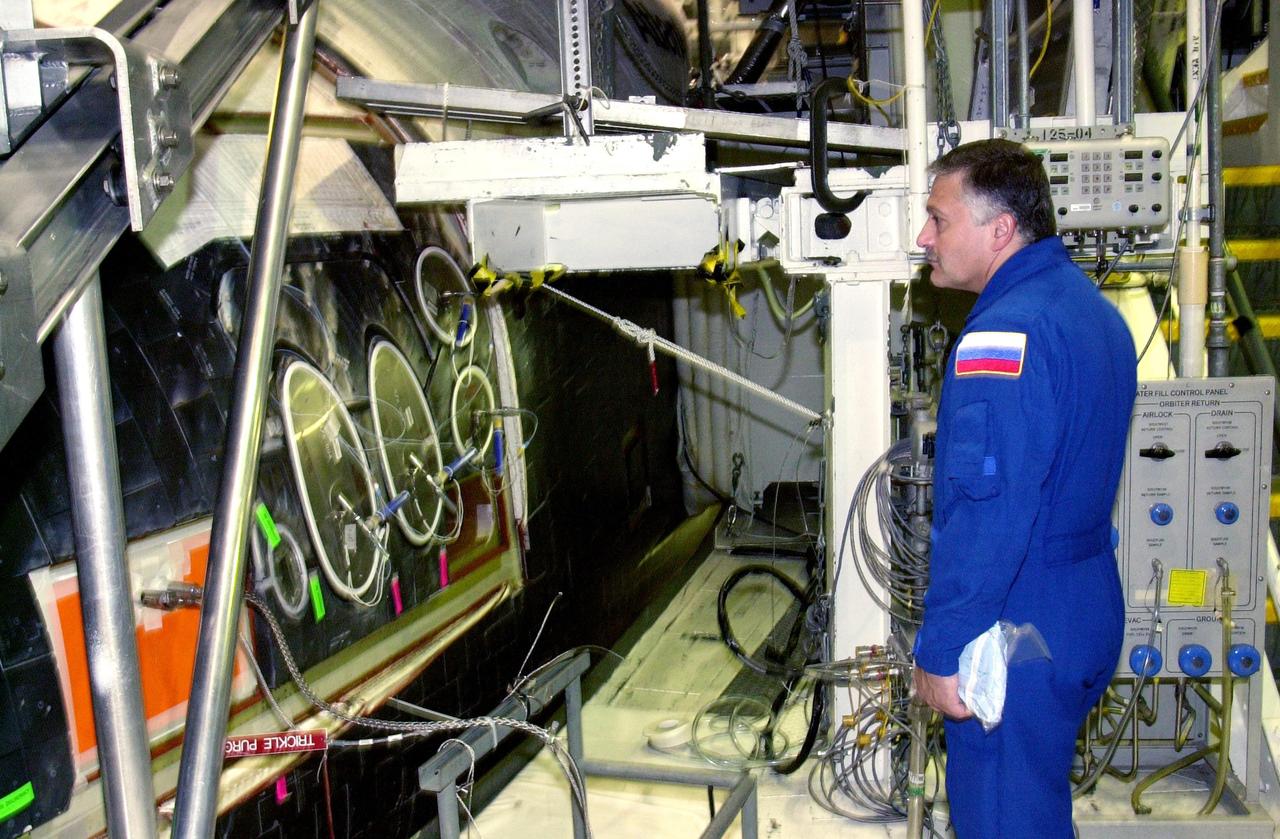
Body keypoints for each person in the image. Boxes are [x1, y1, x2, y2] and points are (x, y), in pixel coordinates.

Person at [910, 139, 1138, 838]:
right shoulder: (1091, 312)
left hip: (1017, 624)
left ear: (1000, 229)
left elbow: (991, 514)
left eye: (939, 220)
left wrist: (942, 647)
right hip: (1083, 605)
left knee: (1005, 819)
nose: (924, 237)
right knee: (1033, 808)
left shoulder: (1002, 335)